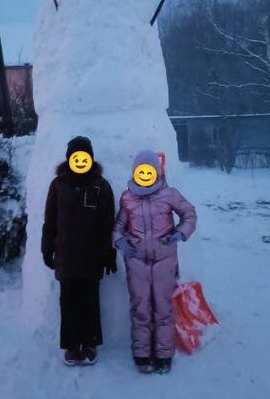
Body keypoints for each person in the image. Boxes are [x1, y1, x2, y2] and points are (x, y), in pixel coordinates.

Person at [113, 150, 197, 374]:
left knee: (163, 309)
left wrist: (180, 233)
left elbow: (189, 213)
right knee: (140, 308)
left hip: (164, 261)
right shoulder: (127, 197)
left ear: (157, 172)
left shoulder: (169, 194)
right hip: (137, 262)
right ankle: (142, 354)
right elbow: (118, 226)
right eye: (141, 171)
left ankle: (163, 354)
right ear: (135, 172)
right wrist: (120, 241)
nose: (145, 174)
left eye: (149, 171)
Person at [41, 135, 117, 366]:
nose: (80, 160)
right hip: (66, 255)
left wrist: (108, 254)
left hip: (92, 256)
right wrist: (47, 248)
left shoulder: (100, 186)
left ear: (91, 159)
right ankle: (72, 345)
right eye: (76, 156)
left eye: (84, 156)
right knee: (69, 302)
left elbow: (107, 223)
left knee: (90, 302)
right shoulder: (58, 185)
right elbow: (50, 220)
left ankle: (90, 343)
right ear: (69, 158)